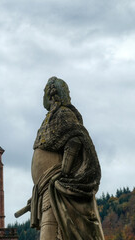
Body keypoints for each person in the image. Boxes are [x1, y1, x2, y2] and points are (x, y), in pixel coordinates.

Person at [30, 77, 104, 240]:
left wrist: (64, 171)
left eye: (46, 92)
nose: (45, 96)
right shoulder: (50, 117)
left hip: (57, 186)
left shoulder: (63, 113)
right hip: (46, 187)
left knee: (50, 234)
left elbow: (76, 138)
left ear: (52, 94)